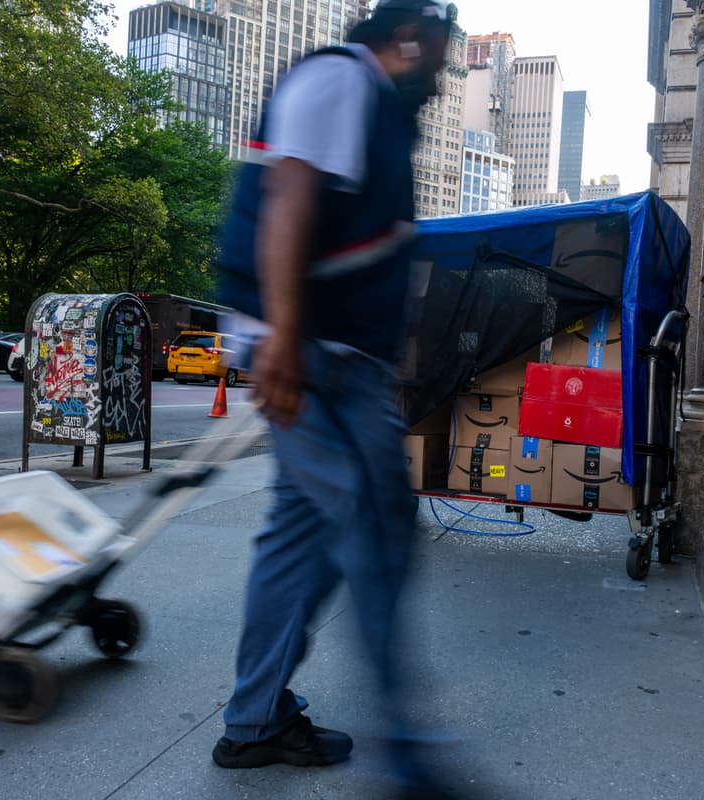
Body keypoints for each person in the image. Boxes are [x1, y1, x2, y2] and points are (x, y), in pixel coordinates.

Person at [212, 1, 465, 798]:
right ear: (409, 39)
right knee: (378, 531)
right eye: (443, 57)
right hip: (313, 354)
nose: (445, 74)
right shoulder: (337, 80)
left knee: (305, 539)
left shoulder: (381, 116)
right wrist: (285, 339)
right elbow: (289, 199)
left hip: (331, 354)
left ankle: (255, 723)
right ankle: (411, 755)